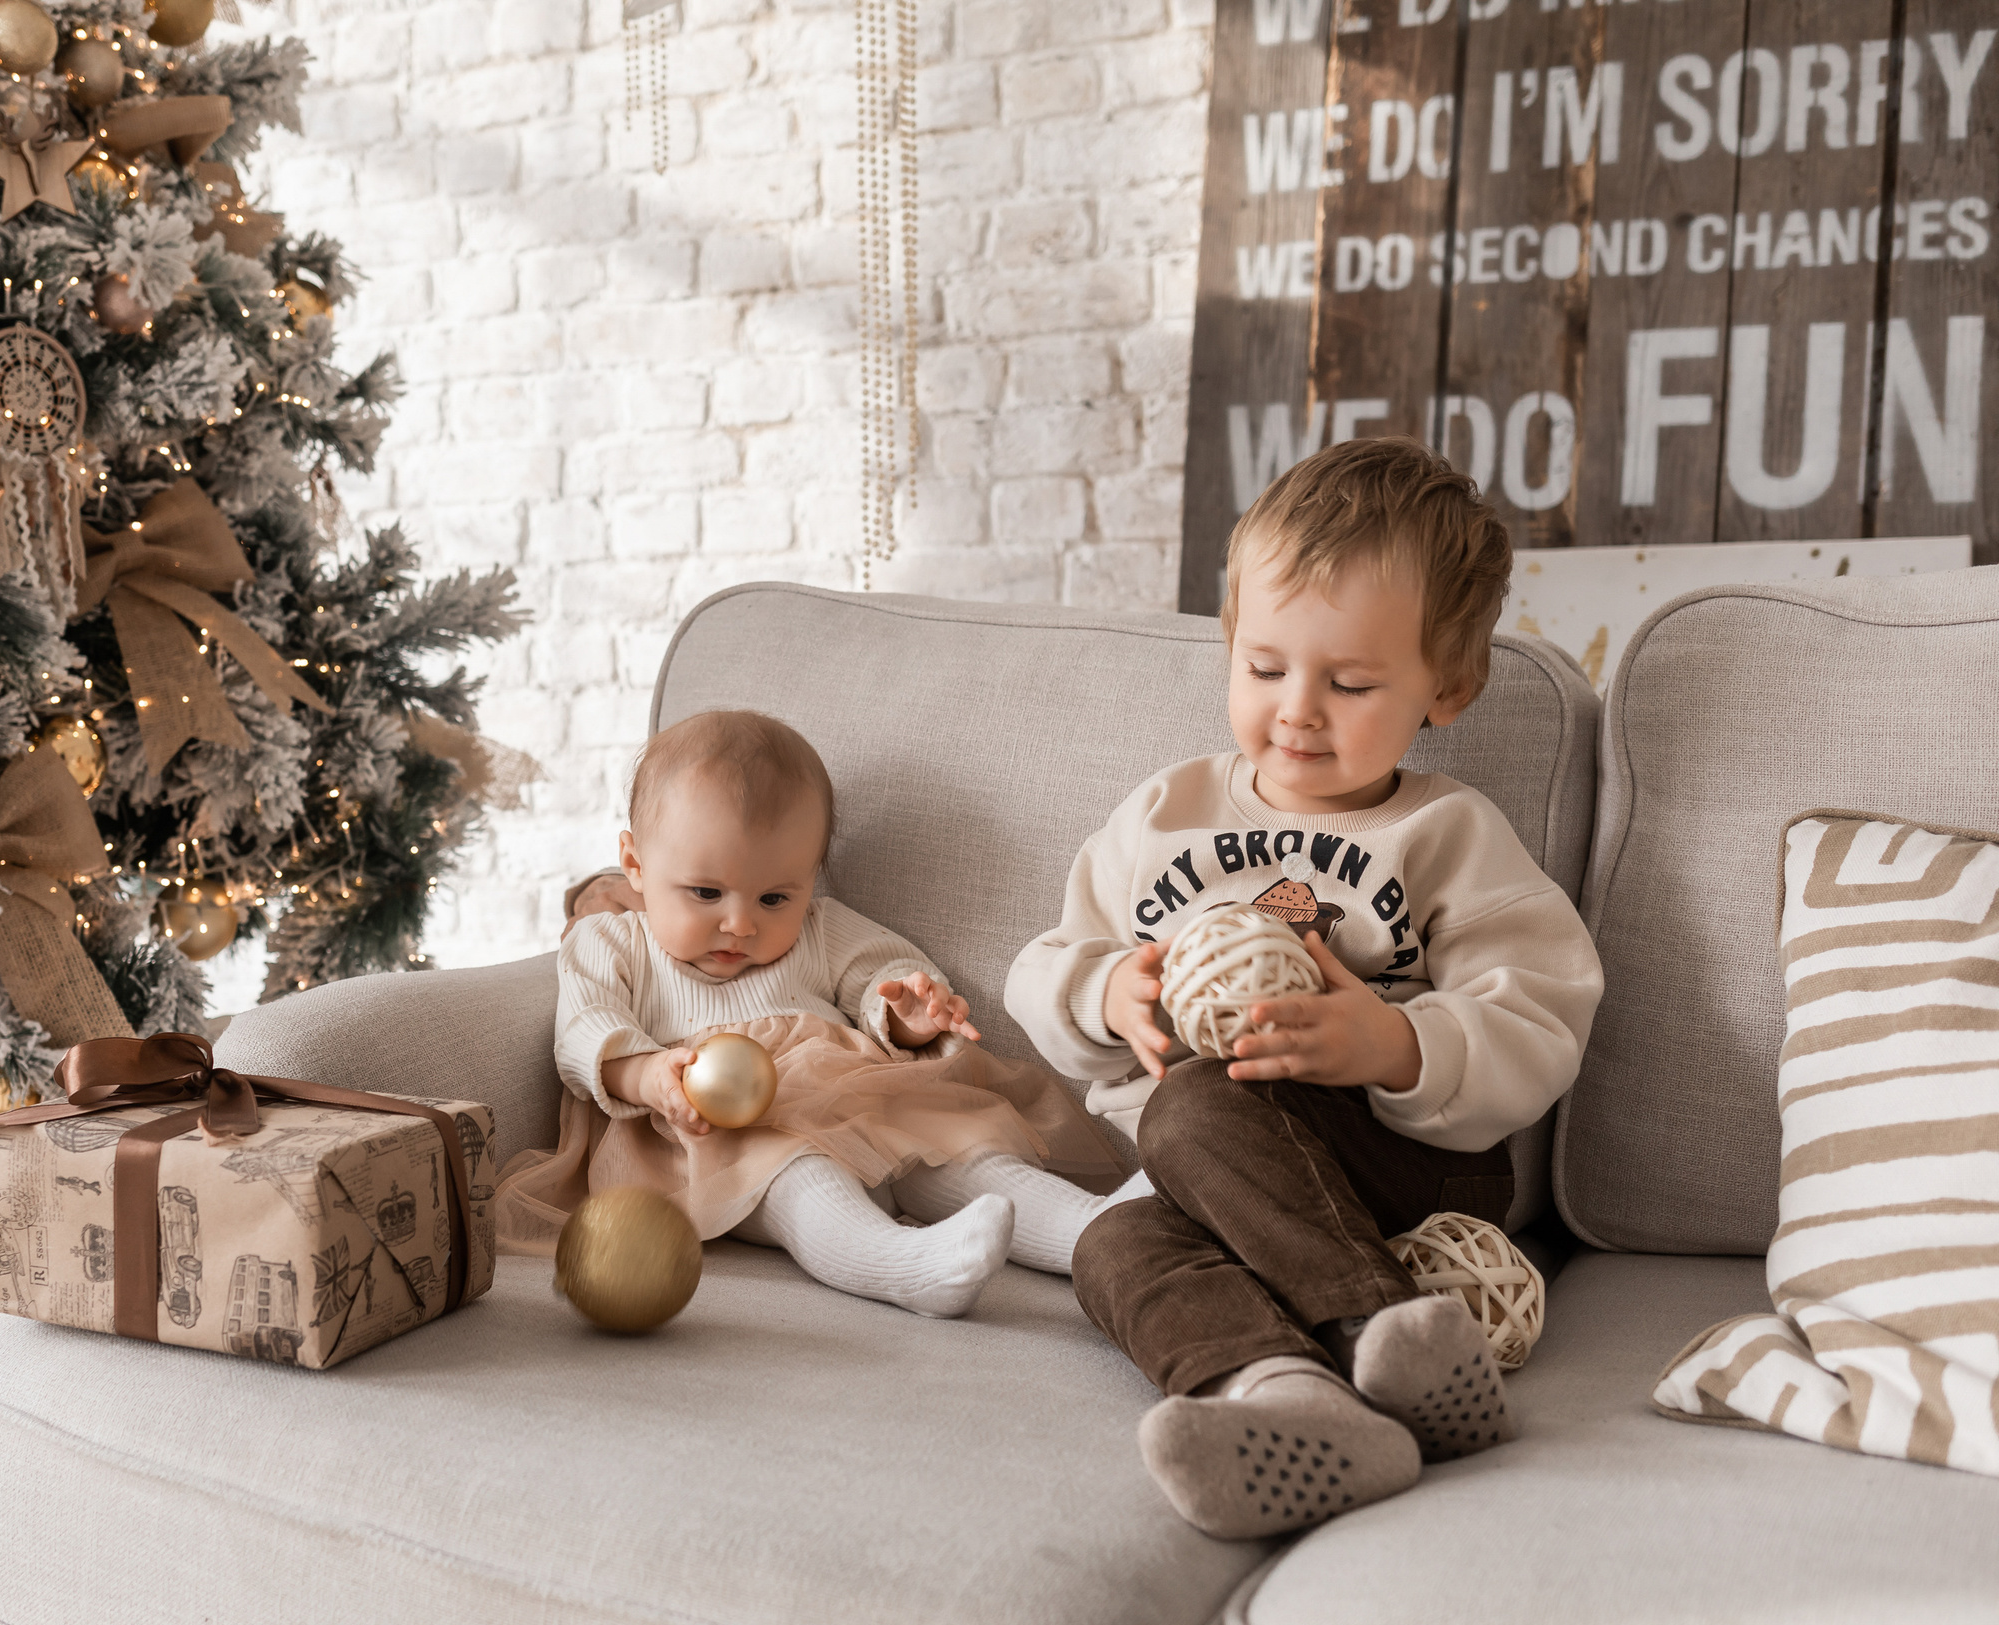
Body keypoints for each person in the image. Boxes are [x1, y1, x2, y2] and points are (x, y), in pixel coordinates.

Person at [1006, 437, 1604, 1539]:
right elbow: (1048, 960)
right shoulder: (1163, 814)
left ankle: (1388, 1331)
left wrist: (1393, 1045)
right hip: (1213, 1187)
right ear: (1230, 645)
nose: (1297, 710)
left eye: (1352, 682)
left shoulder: (1444, 833)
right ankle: (1300, 1402)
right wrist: (1106, 999)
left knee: (1194, 1100)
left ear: (1450, 686)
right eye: (1266, 667)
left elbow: (1542, 1006)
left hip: (1406, 1170)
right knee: (1112, 1244)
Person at [500, 709, 1125, 1317]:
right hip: (711, 1133)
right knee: (802, 1179)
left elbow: (879, 977)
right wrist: (646, 1074)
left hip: (860, 1098)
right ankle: (902, 1265)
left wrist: (910, 1015)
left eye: (775, 897)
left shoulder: (820, 930)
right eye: (706, 893)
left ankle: (1106, 1228)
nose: (741, 923)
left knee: (959, 1151)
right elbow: (583, 1029)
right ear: (636, 864)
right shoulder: (612, 942)